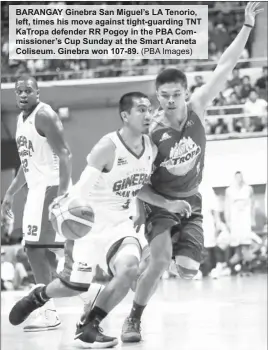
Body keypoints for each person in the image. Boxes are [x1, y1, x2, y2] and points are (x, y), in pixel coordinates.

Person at [120, 2, 263, 343]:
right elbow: (136, 183)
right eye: (163, 96)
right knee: (158, 266)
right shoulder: (149, 131)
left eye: (175, 94)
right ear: (157, 96)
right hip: (160, 204)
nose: (170, 100)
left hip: (192, 201)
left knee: (187, 271)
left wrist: (245, 26)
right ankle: (134, 318)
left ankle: (153, 259)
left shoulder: (198, 106)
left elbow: (226, 65)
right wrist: (145, 209)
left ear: (186, 92)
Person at [8, 92, 189, 347]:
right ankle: (39, 295)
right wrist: (62, 208)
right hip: (88, 227)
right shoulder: (108, 146)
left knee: (127, 271)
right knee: (73, 287)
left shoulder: (151, 148)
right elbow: (82, 189)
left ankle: (89, 326)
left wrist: (167, 204)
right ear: (125, 116)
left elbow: (137, 184)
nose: (148, 114)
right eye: (141, 110)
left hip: (120, 226)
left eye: (149, 109)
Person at [1, 75, 72, 331]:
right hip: (36, 190)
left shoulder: (45, 115)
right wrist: (10, 192)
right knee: (41, 253)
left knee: (41, 250)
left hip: (51, 188)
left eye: (28, 90)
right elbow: (26, 162)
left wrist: (63, 193)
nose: (22, 94)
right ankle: (52, 309)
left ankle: (52, 311)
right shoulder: (21, 120)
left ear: (37, 92)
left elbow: (65, 154)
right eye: (18, 90)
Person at [224, 171, 255, 274]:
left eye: (240, 177)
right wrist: (227, 221)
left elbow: (253, 205)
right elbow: (227, 207)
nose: (239, 179)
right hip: (235, 221)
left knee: (246, 245)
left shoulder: (248, 189)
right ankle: (233, 266)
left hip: (245, 221)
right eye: (237, 177)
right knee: (237, 247)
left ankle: (246, 267)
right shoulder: (229, 191)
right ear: (234, 178)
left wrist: (253, 219)